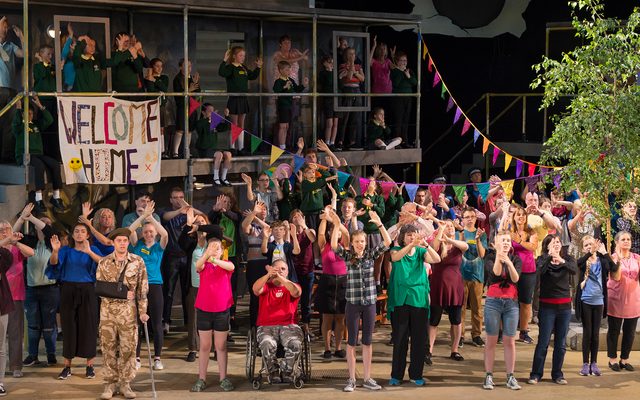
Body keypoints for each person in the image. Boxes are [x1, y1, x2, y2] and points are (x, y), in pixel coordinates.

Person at [329, 209, 391, 392]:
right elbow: (334, 245)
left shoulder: (371, 255)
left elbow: (387, 242)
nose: (359, 244)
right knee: (351, 342)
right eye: (356, 241)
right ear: (352, 243)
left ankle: (367, 378)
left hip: (370, 303)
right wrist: (336, 225)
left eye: (362, 241)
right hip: (353, 304)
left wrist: (379, 223)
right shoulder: (348, 257)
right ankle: (351, 379)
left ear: (365, 242)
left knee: (367, 341)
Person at [46, 223, 104, 380]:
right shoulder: (65, 250)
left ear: (87, 235)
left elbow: (104, 264)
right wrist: (55, 251)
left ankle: (90, 366)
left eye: (82, 231)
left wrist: (89, 252)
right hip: (68, 290)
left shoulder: (93, 250)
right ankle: (67, 367)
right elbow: (53, 264)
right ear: (72, 235)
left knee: (89, 327)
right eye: (76, 231)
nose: (79, 234)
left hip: (87, 290)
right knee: (69, 327)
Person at [96, 228, 149, 400]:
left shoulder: (137, 261)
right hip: (108, 313)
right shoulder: (103, 262)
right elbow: (100, 288)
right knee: (108, 349)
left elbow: (142, 290)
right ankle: (110, 384)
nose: (122, 243)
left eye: (125, 241)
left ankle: (126, 383)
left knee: (128, 349)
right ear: (113, 242)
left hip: (128, 313)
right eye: (119, 240)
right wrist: (121, 293)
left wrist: (143, 311)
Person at [388, 225, 440, 386]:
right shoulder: (396, 249)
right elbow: (395, 258)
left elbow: (437, 259)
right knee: (400, 340)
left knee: (418, 340)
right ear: (403, 237)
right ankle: (397, 375)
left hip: (418, 299)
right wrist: (411, 245)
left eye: (415, 235)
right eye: (409, 235)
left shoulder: (420, 252)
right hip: (400, 299)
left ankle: (416, 374)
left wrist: (425, 245)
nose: (412, 237)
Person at [13, 205, 59, 368]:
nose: (43, 224)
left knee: (48, 325)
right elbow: (12, 236)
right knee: (32, 324)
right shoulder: (30, 241)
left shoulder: (52, 242)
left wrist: (31, 217)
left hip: (50, 289)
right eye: (41, 222)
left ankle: (51, 354)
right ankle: (32, 355)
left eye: (46, 222)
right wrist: (22, 218)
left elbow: (47, 230)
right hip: (32, 289)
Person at [528, 234, 577, 385]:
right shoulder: (542, 260)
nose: (556, 244)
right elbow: (539, 273)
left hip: (564, 307)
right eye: (553, 242)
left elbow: (574, 270)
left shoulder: (567, 259)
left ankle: (557, 374)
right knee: (543, 342)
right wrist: (550, 257)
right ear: (547, 245)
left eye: (558, 242)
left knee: (560, 343)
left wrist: (560, 259)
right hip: (547, 307)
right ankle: (536, 374)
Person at [190, 236, 235, 392]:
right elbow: (197, 265)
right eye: (211, 247)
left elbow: (231, 267)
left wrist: (215, 259)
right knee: (204, 345)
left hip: (222, 310)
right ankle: (201, 378)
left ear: (222, 251)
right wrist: (207, 255)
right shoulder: (204, 266)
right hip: (204, 310)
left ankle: (223, 378)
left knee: (221, 346)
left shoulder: (226, 264)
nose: (214, 250)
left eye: (217, 247)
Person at [128, 201, 168, 371]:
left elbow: (165, 234)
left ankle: (157, 358)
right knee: (137, 322)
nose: (149, 234)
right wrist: (143, 217)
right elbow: (130, 230)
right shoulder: (137, 246)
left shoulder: (159, 247)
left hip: (155, 286)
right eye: (146, 232)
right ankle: (136, 357)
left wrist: (151, 217)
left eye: (151, 231)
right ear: (142, 233)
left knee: (157, 323)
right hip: (138, 287)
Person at [160, 188, 204, 333]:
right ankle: (165, 321)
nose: (178, 200)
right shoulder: (167, 212)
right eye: (175, 197)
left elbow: (202, 215)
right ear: (170, 199)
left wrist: (187, 206)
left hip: (187, 256)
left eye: (181, 197)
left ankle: (188, 321)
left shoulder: (189, 213)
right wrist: (180, 210)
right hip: (171, 256)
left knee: (187, 291)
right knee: (169, 291)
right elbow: (165, 217)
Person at [482, 231, 522, 390]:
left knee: (509, 341)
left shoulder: (516, 259)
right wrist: (499, 255)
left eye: (508, 241)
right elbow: (496, 273)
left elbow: (515, 278)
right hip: (493, 302)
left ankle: (510, 376)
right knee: (491, 340)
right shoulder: (490, 258)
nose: (506, 243)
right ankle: (488, 376)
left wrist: (509, 263)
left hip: (511, 303)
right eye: (502, 240)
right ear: (495, 243)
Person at [253, 259, 303, 384]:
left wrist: (281, 279)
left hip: (289, 325)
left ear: (288, 272)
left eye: (283, 269)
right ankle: (273, 370)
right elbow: (255, 289)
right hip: (267, 326)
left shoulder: (293, 286)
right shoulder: (266, 286)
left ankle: (287, 371)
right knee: (266, 343)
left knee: (295, 343)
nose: (280, 271)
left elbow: (296, 292)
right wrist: (268, 275)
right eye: (277, 268)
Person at [12, 95, 64, 213]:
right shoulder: (19, 126)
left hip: (38, 154)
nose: (29, 115)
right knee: (39, 165)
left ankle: (56, 197)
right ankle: (38, 198)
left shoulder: (36, 125)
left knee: (55, 164)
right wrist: (19, 109)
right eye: (27, 113)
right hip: (25, 155)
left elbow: (49, 120)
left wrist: (40, 106)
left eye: (31, 113)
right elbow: (15, 123)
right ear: (22, 115)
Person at [428, 220, 469, 363]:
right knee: (434, 320)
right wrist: (441, 230)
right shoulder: (438, 245)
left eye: (451, 226)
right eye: (447, 226)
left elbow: (466, 246)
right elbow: (433, 247)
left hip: (455, 287)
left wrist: (450, 238)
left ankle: (455, 350)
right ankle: (429, 350)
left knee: (456, 320)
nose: (449, 228)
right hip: (438, 286)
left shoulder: (458, 245)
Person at [575, 235, 616, 377]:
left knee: (596, 334)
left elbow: (613, 267)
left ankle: (594, 363)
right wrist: (589, 252)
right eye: (586, 245)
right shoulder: (584, 261)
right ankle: (585, 363)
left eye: (591, 244)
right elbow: (578, 263)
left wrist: (604, 253)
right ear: (583, 248)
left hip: (599, 301)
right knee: (587, 333)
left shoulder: (602, 260)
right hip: (586, 300)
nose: (589, 247)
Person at [0, 220, 34, 378]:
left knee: (15, 333)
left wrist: (17, 243)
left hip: (15, 296)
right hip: (1, 296)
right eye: (1, 230)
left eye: (6, 229)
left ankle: (15, 366)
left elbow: (31, 253)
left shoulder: (15, 248)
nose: (4, 231)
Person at [317, 205, 349, 359]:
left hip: (343, 282)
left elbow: (346, 232)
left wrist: (336, 221)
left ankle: (338, 347)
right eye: (332, 231)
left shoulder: (345, 245)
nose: (333, 233)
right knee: (327, 317)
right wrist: (325, 215)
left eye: (335, 231)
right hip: (327, 281)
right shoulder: (325, 245)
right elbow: (321, 232)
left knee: (340, 317)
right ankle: (327, 348)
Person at [606, 230, 640, 372]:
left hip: (634, 299)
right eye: (623, 239)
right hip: (616, 298)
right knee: (614, 330)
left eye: (628, 239)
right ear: (617, 242)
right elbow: (616, 277)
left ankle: (624, 360)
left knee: (630, 332)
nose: (626, 241)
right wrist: (619, 260)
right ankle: (612, 359)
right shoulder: (612, 258)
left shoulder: (637, 258)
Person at [219, 46, 262, 154]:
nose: (243, 57)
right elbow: (222, 72)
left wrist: (258, 67)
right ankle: (232, 147)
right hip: (234, 98)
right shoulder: (230, 67)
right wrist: (224, 60)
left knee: (241, 124)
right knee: (234, 124)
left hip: (243, 99)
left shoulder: (243, 67)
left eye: (244, 56)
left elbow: (252, 76)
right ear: (234, 56)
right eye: (240, 55)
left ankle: (241, 147)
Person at [506, 205, 538, 344]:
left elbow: (533, 247)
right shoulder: (509, 231)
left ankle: (524, 332)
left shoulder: (531, 232)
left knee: (526, 302)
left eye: (523, 215)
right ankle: (508, 330)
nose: (521, 217)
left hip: (528, 270)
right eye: (518, 214)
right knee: (510, 300)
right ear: (514, 217)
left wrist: (519, 241)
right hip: (513, 269)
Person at [459, 207, 487, 348]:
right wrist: (462, 238)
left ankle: (476, 335)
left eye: (472, 216)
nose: (470, 219)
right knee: (461, 307)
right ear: (462, 219)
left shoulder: (481, 234)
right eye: (467, 217)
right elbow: (457, 252)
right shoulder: (459, 234)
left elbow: (482, 254)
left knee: (477, 308)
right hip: (461, 274)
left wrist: (477, 240)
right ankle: (460, 335)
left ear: (476, 218)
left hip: (477, 274)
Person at [0, 16, 24, 163]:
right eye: (3, 25)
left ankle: (6, 155)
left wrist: (21, 36)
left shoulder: (9, 46)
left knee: (9, 124)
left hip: (9, 90)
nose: (6, 28)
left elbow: (24, 53)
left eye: (6, 26)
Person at [193, 103, 233, 186]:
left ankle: (224, 177)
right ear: (204, 113)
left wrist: (227, 116)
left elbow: (225, 127)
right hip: (203, 149)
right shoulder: (200, 122)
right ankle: (215, 177)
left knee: (228, 154)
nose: (212, 112)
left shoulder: (214, 122)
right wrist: (209, 119)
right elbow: (200, 129)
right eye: (210, 111)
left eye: (213, 111)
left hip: (213, 149)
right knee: (219, 155)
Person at [273, 61, 308, 150]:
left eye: (289, 69)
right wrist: (284, 87)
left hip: (290, 105)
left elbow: (297, 89)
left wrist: (303, 85)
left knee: (287, 126)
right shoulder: (278, 81)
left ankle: (285, 144)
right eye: (286, 69)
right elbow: (276, 90)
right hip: (282, 105)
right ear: (280, 70)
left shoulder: (291, 80)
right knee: (282, 126)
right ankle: (281, 146)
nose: (289, 71)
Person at [336, 47, 365, 151]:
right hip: (347, 91)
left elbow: (362, 78)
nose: (352, 56)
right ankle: (340, 141)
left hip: (357, 91)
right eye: (350, 54)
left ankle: (352, 142)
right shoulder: (343, 65)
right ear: (345, 56)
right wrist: (352, 67)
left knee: (355, 118)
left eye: (353, 54)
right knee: (345, 117)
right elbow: (348, 77)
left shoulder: (358, 66)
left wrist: (355, 72)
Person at [172, 58, 200, 159]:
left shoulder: (191, 78)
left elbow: (197, 93)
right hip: (182, 107)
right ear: (180, 67)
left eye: (190, 66)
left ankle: (186, 150)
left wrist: (196, 84)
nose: (189, 68)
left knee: (189, 130)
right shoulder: (177, 79)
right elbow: (178, 94)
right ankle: (175, 152)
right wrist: (189, 89)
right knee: (180, 129)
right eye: (186, 65)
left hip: (192, 107)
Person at [143, 58, 170, 158]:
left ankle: (163, 150)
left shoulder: (164, 77)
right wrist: (150, 77)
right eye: (157, 66)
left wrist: (154, 80)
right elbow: (151, 91)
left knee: (161, 128)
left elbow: (164, 88)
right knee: (151, 127)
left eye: (161, 66)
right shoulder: (147, 78)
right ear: (152, 66)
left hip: (161, 106)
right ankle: (151, 149)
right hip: (151, 106)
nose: (159, 68)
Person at [390, 51, 417, 147]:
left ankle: (405, 141)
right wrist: (401, 73)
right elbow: (395, 83)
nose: (404, 62)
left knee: (406, 121)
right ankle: (396, 143)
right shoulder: (395, 71)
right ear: (397, 61)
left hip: (408, 99)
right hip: (398, 99)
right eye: (401, 60)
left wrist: (408, 76)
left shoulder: (409, 71)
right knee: (398, 120)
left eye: (405, 60)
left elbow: (414, 82)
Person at [0, 245, 14, 395]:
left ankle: (0, 382)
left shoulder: (2, 257)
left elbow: (8, 258)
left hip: (1, 306)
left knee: (0, 347)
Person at [319, 55, 339, 148]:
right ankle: (326, 143)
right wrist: (330, 71)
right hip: (328, 99)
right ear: (324, 63)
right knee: (329, 123)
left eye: (332, 62)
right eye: (329, 62)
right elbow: (327, 85)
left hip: (336, 99)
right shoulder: (323, 73)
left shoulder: (336, 73)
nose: (332, 64)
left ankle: (332, 142)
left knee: (335, 123)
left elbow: (339, 86)